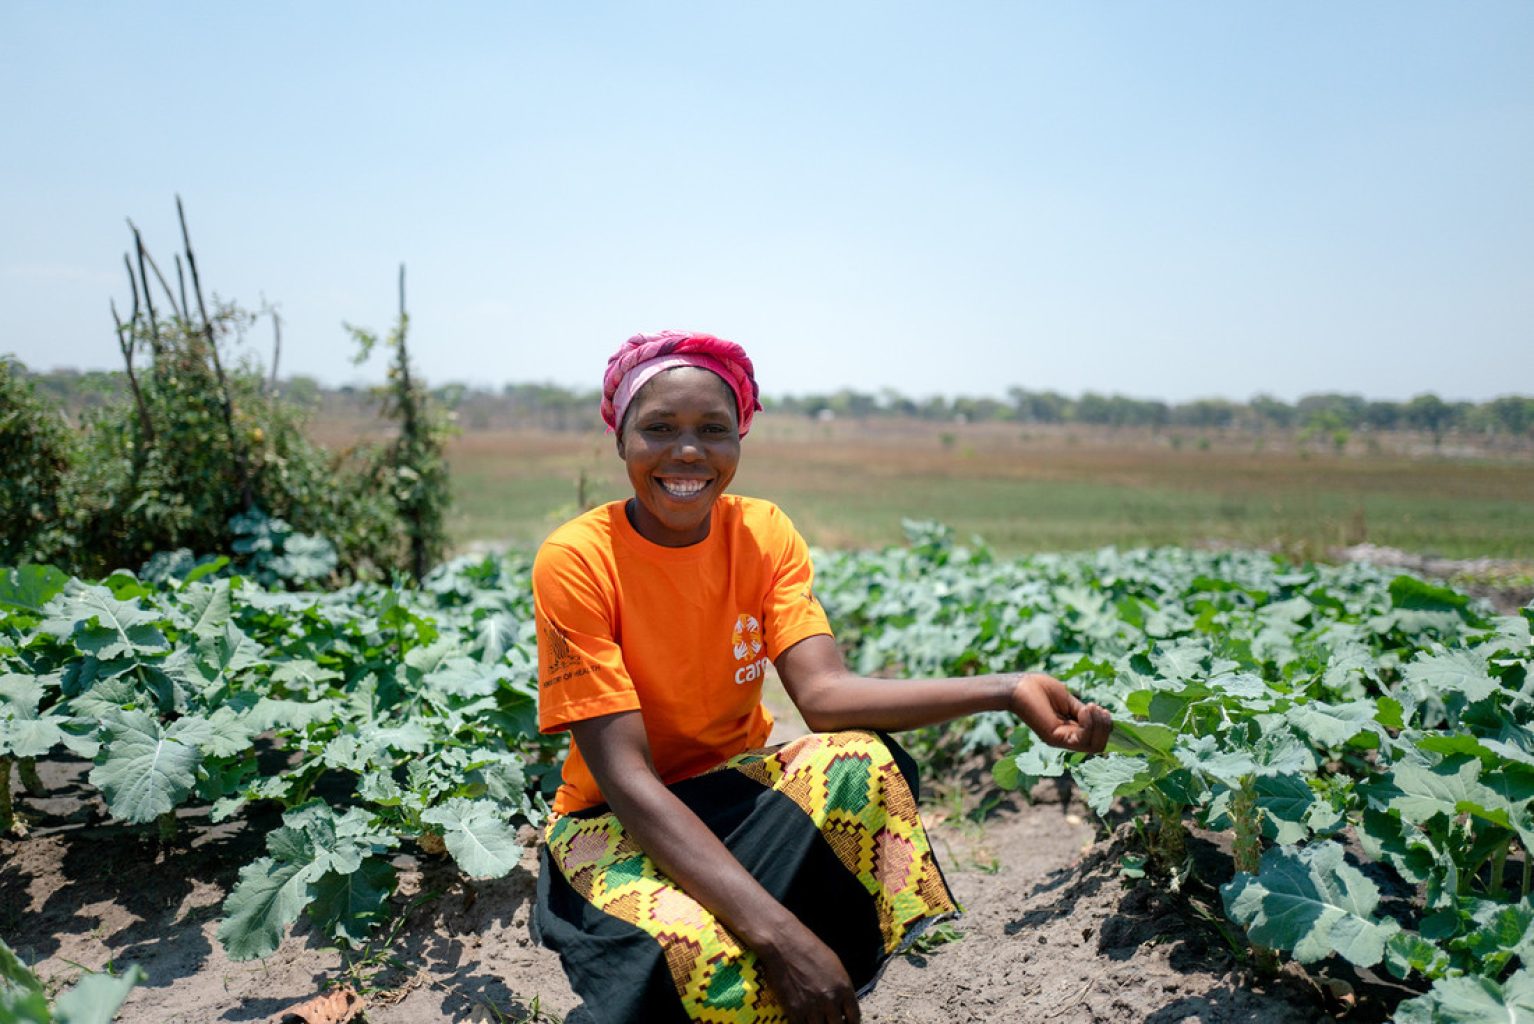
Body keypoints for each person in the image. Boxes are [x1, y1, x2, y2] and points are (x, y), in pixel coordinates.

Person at [531, 330, 1112, 1024]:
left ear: (740, 439)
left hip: (733, 800)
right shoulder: (577, 560)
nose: (688, 452)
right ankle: (757, 950)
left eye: (714, 430)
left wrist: (1006, 690)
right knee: (704, 964)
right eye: (659, 428)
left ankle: (795, 957)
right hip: (616, 821)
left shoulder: (764, 532)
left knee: (862, 762)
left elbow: (826, 698)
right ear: (620, 437)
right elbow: (626, 778)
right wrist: (780, 936)